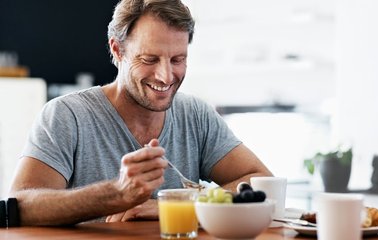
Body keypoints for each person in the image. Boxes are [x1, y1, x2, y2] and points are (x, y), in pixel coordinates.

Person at [9, 0, 272, 226]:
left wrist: (175, 204)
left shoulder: (196, 115)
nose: (166, 76)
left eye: (177, 59)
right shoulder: (67, 115)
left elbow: (262, 182)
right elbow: (20, 205)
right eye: (149, 59)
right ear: (117, 50)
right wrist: (115, 194)